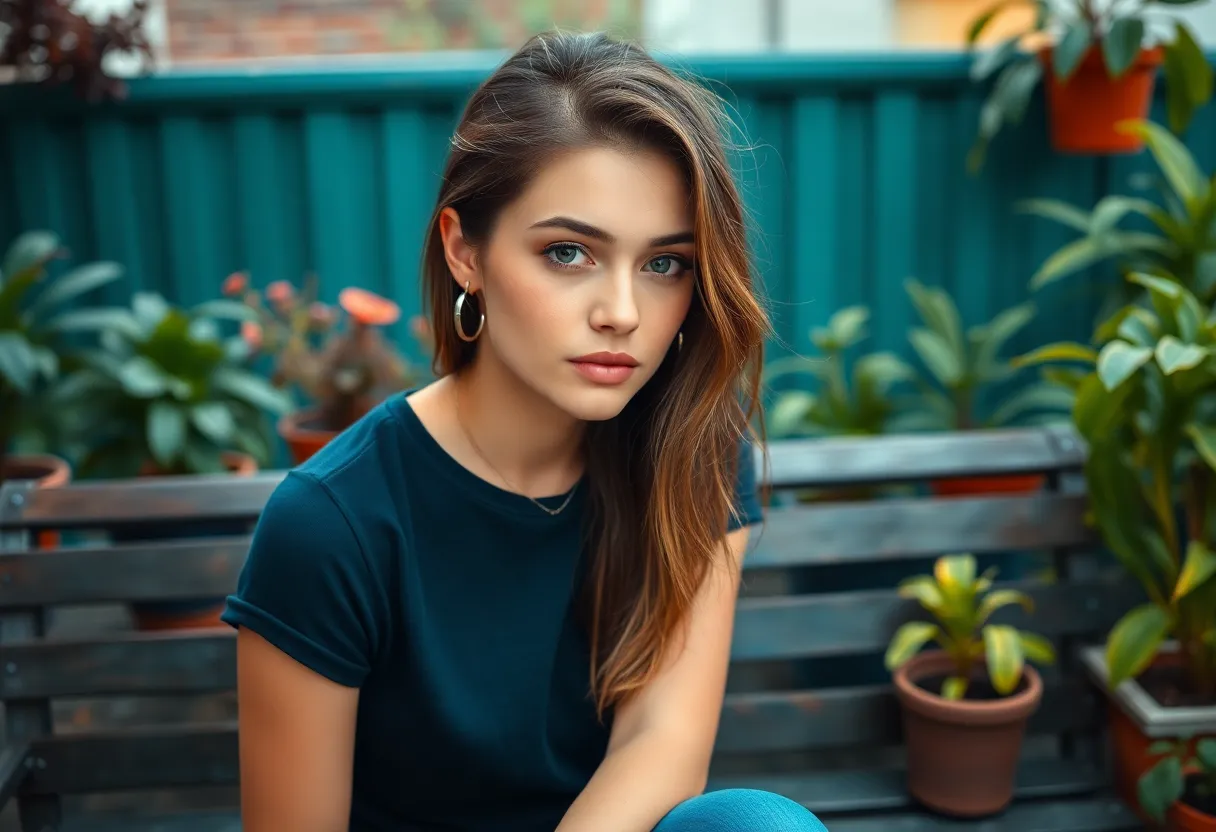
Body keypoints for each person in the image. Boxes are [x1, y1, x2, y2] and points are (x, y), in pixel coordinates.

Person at [222, 29, 828, 832]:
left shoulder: (694, 451)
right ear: (464, 250)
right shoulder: (332, 525)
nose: (621, 313)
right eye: (569, 252)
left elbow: (662, 742)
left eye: (664, 263)